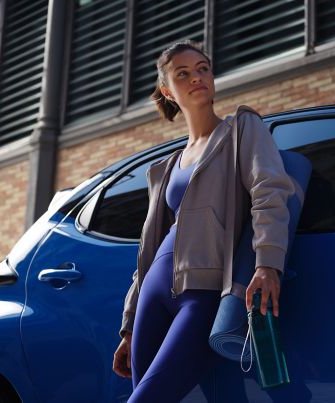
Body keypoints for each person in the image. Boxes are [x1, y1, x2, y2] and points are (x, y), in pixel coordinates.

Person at [112, 40, 294, 402]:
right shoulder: (164, 167)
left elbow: (269, 192)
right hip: (153, 292)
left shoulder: (241, 130)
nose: (197, 77)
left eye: (203, 68)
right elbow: (146, 249)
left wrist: (268, 262)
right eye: (184, 73)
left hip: (204, 293)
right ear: (168, 90)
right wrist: (129, 326)